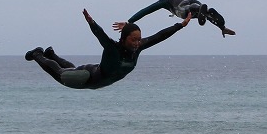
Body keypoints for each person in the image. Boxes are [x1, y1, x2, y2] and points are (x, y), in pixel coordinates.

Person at [25, 8, 190, 90]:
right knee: (62, 75)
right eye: (133, 40)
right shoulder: (113, 48)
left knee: (71, 68)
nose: (137, 43)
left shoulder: (138, 48)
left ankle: (51, 53)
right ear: (124, 39)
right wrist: (91, 22)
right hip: (89, 77)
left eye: (138, 39)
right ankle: (38, 54)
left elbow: (159, 36)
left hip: (99, 78)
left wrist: (181, 25)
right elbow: (100, 35)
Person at [119, 0, 236, 37]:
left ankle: (199, 10)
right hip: (196, 3)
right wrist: (222, 27)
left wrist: (130, 21)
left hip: (183, 9)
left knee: (186, 11)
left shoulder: (167, 0)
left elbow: (147, 10)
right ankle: (219, 23)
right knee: (204, 13)